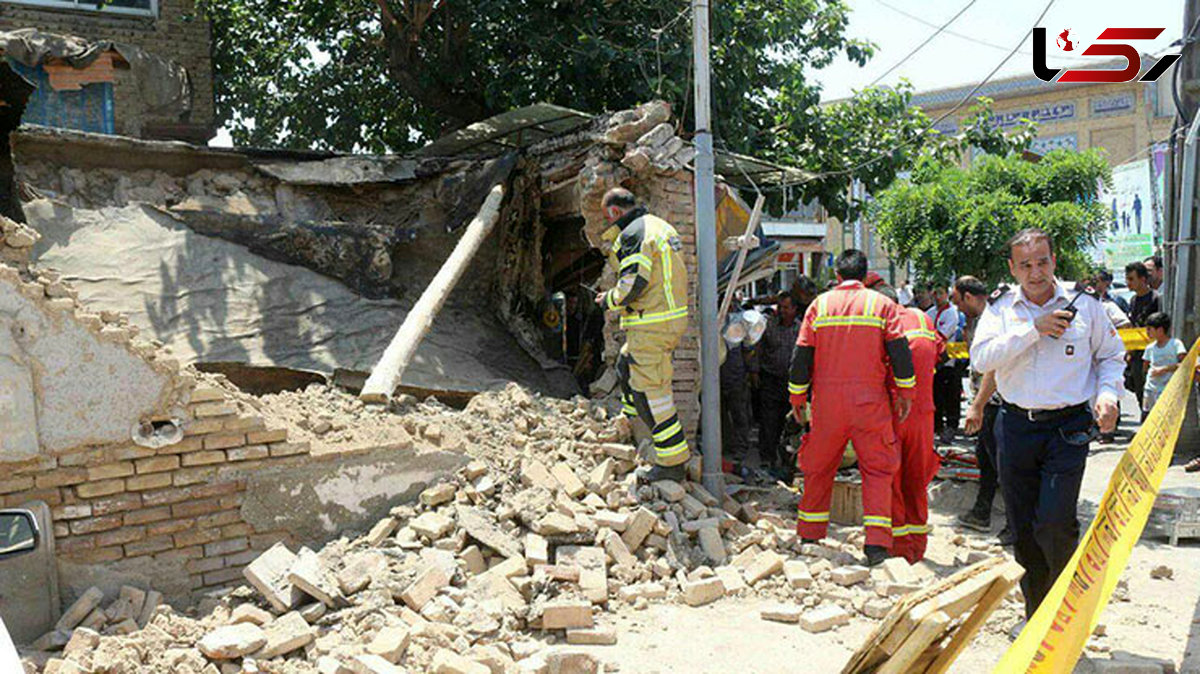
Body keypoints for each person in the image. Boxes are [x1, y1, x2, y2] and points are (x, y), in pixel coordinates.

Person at [971, 228, 1124, 619]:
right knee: (1023, 528)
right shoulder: (1002, 308)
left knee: (1055, 523)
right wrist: (1033, 330)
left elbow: (1110, 356)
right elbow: (982, 358)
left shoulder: (1085, 305)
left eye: (1042, 262)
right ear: (1013, 268)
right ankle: (1036, 614)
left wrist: (1108, 396)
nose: (1035, 273)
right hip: (1015, 425)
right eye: (1025, 265)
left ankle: (1064, 610)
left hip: (1067, 428)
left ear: (1053, 261)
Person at [788, 249, 916, 567]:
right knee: (877, 470)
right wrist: (906, 393)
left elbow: (801, 357)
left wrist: (797, 399)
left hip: (827, 404)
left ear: (837, 276)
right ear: (865, 275)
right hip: (870, 403)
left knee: (819, 468)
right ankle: (876, 546)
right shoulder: (882, 305)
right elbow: (900, 353)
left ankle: (810, 534)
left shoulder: (819, 305)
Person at [595, 187, 690, 482]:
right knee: (626, 366)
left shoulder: (634, 233)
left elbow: (635, 280)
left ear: (613, 212)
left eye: (607, 218)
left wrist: (608, 299)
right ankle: (632, 423)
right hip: (662, 321)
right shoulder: (660, 226)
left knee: (653, 396)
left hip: (652, 324)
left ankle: (672, 462)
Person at [878, 283, 942, 564]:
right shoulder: (922, 319)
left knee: (892, 480)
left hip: (894, 411)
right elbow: (939, 352)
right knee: (916, 480)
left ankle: (900, 548)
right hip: (923, 413)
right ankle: (918, 546)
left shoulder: (884, 325)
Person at [951, 276, 1013, 546]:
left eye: (957, 300)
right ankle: (982, 512)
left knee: (1004, 465)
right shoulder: (976, 321)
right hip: (986, 403)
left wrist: (977, 405)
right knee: (986, 461)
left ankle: (1015, 524)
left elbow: (994, 367)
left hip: (997, 403)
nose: (957, 306)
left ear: (967, 296)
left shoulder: (995, 318)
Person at [757, 293, 801, 480]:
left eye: (786, 308)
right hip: (770, 380)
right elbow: (758, 349)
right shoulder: (769, 326)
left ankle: (787, 464)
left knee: (790, 425)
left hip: (791, 384)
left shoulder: (801, 329)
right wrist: (754, 373)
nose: (782, 311)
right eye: (780, 307)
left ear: (794, 309)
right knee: (768, 422)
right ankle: (767, 460)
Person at [927, 285, 963, 443]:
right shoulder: (930, 313)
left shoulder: (952, 312)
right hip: (935, 358)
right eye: (934, 293)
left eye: (940, 293)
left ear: (947, 294)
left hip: (951, 355)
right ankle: (938, 426)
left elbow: (942, 335)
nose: (937, 296)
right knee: (936, 393)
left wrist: (927, 337)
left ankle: (952, 425)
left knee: (952, 393)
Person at [1125, 261, 1160, 409]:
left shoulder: (1156, 299)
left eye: (1132, 279)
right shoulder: (1133, 300)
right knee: (1140, 392)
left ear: (1143, 279)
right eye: (1127, 279)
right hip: (1137, 355)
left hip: (1153, 355)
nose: (1128, 283)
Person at [1141, 312, 1185, 420]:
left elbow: (1184, 365)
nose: (1147, 332)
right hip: (1151, 389)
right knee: (1149, 417)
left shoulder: (1175, 344)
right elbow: (1145, 366)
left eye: (1149, 329)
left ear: (1160, 330)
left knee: (1166, 418)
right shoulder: (1150, 348)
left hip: (1168, 389)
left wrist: (1165, 369)